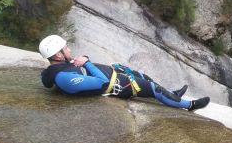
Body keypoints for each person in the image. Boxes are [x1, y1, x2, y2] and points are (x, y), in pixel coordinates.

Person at [38, 35, 209, 111]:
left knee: (140, 74)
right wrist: (87, 63)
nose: (69, 49)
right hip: (116, 85)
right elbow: (101, 82)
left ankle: (172, 94)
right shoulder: (63, 78)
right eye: (65, 48)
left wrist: (82, 63)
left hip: (114, 75)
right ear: (58, 55)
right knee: (151, 88)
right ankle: (190, 106)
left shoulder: (62, 67)